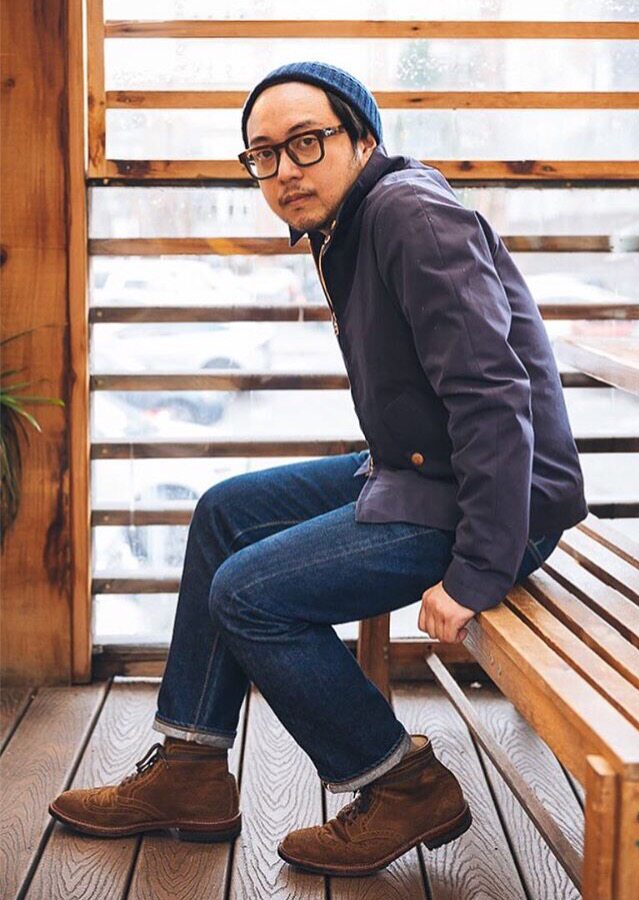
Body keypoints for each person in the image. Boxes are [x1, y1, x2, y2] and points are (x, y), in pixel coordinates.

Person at [49, 61, 588, 877]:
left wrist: (478, 570)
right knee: (225, 511)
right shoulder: (351, 222)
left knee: (249, 594)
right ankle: (191, 771)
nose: (285, 171)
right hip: (423, 472)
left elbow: (492, 396)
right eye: (263, 154)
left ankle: (401, 785)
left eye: (307, 142)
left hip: (500, 504)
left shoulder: (410, 216)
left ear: (363, 139)